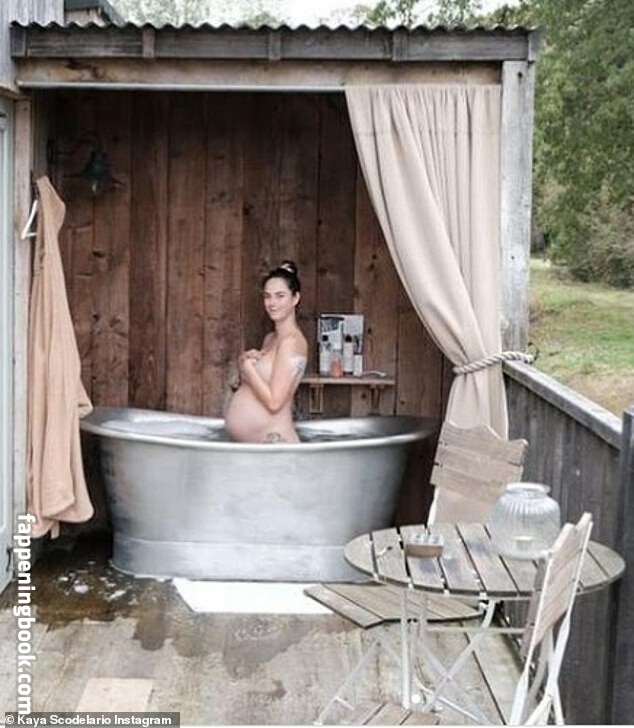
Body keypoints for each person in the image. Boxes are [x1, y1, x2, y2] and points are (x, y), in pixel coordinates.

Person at [224, 261, 308, 443]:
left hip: (275, 443)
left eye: (280, 296)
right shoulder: (270, 339)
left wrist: (249, 370)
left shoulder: (291, 342)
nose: (272, 303)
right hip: (257, 448)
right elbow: (256, 385)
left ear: (295, 298)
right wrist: (244, 361)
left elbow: (274, 403)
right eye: (267, 296)